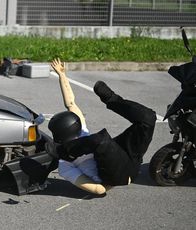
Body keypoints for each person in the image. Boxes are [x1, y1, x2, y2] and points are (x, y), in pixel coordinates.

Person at [47, 58, 156, 195]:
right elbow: (99, 190)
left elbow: (70, 103)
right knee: (100, 140)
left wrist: (62, 75)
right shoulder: (65, 166)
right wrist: (121, 181)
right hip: (115, 175)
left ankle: (112, 99)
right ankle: (65, 151)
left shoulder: (82, 132)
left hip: (129, 157)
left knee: (148, 118)